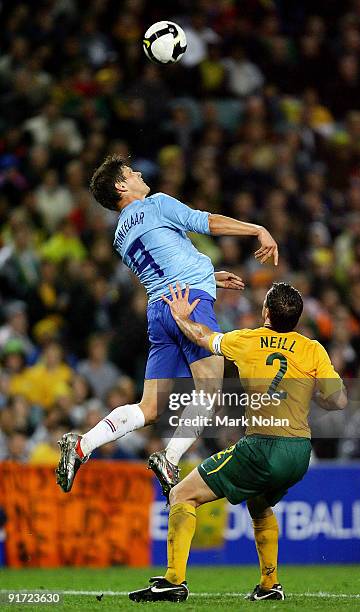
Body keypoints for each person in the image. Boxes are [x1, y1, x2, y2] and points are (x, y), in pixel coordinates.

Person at [56, 154, 278, 496]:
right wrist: (257, 229)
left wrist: (208, 276)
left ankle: (83, 445)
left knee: (149, 407)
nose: (139, 173)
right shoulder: (157, 203)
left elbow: (163, 263)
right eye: (131, 172)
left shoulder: (119, 234)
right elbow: (207, 222)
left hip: (160, 311)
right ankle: (170, 457)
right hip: (188, 306)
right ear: (121, 185)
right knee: (210, 389)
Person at [129, 282, 346, 603]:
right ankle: (269, 585)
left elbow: (202, 337)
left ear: (266, 312)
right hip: (300, 451)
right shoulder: (313, 349)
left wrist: (180, 316)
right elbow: (337, 401)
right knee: (260, 504)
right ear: (298, 319)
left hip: (262, 446)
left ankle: (173, 580)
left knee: (181, 494)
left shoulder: (248, 338)